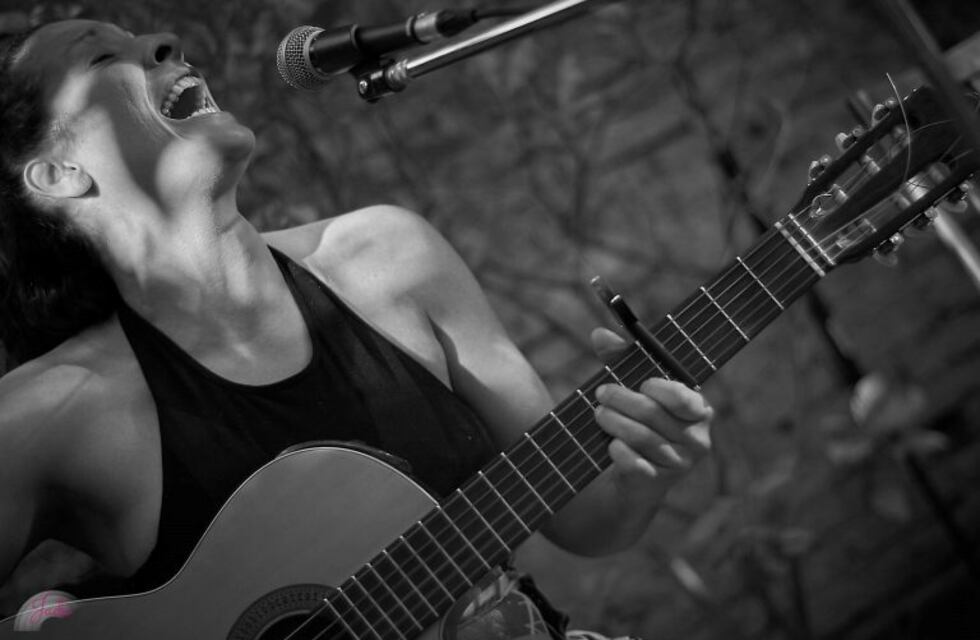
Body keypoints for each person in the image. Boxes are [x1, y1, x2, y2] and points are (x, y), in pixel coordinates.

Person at [0, 19, 713, 638]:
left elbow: (587, 521)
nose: (163, 43)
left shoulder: (388, 258)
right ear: (59, 173)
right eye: (103, 58)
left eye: (148, 38)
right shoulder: (54, 415)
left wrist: (647, 465)